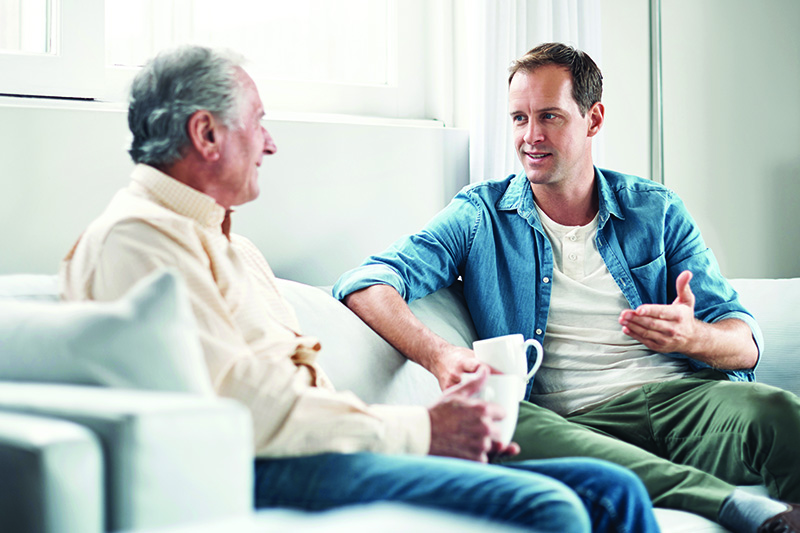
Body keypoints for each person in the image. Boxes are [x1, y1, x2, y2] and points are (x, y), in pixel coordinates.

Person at [59, 45, 660, 533]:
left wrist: (421, 435)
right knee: (551, 509)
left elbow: (295, 393)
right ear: (207, 134)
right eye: (258, 124)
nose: (269, 143)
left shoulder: (230, 244)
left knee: (612, 489)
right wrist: (422, 432)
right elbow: (247, 409)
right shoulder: (137, 240)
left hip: (313, 449)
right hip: (261, 467)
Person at [333, 42, 800, 533]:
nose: (531, 136)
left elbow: (744, 344)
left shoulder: (655, 210)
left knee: (777, 411)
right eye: (518, 118)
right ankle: (739, 509)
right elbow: (367, 282)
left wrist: (694, 338)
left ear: (593, 119)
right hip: (573, 422)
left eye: (550, 116)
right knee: (508, 424)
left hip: (681, 401)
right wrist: (440, 356)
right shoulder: (479, 216)